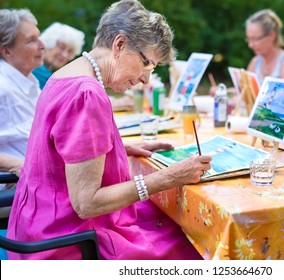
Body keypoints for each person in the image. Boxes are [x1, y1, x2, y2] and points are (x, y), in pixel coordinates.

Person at [7, 0, 212, 260]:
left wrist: (114, 147)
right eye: (147, 64)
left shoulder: (65, 75)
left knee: (163, 216)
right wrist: (168, 178)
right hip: (68, 242)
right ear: (119, 45)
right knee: (196, 240)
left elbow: (58, 150)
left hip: (36, 225)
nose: (145, 79)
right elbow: (87, 203)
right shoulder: (87, 94)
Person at [0, 9, 44, 193]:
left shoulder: (28, 80)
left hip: (39, 179)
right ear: (7, 51)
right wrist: (17, 165)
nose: (42, 45)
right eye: (31, 40)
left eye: (39, 37)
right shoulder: (2, 87)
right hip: (17, 187)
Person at [245, 9, 284, 84]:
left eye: (255, 39)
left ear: (272, 35)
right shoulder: (255, 62)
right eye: (248, 39)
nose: (250, 45)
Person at [32, 22, 85, 89]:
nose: (64, 55)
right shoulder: (31, 69)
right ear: (48, 43)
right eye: (61, 47)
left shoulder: (50, 77)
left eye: (70, 51)